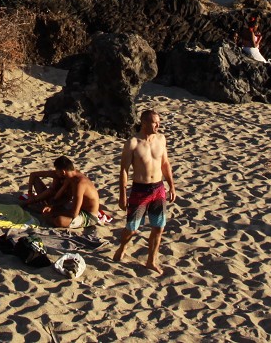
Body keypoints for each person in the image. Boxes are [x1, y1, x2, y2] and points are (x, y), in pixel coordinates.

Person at [112, 109, 175, 274]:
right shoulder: (133, 143)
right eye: (155, 122)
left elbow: (165, 163)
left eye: (159, 122)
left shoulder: (161, 139)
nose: (158, 125)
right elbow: (124, 170)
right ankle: (123, 246)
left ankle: (151, 261)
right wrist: (122, 195)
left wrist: (171, 185)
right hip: (140, 189)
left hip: (158, 188)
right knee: (132, 227)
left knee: (159, 226)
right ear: (144, 123)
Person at [23, 156, 102, 229]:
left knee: (60, 220)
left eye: (57, 171)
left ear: (63, 172)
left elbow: (74, 213)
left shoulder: (79, 184)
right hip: (76, 208)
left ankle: (48, 217)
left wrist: (53, 212)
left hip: (88, 216)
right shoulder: (71, 177)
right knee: (53, 211)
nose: (56, 173)